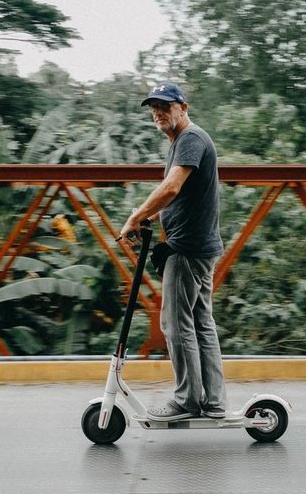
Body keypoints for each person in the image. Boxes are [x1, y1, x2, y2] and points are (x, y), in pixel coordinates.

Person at [118, 82, 227, 422]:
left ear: (183, 107)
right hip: (200, 246)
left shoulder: (190, 139)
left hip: (188, 248)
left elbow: (171, 187)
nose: (158, 112)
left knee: (174, 324)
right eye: (153, 107)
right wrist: (148, 218)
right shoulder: (184, 141)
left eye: (165, 105)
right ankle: (213, 402)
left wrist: (135, 217)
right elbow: (178, 194)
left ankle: (187, 400)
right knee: (199, 323)